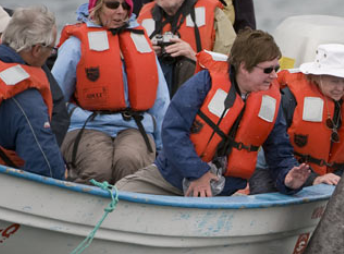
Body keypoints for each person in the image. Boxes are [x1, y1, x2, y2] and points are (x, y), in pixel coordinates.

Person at [115, 28, 311, 197]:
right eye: (268, 69)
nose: (274, 76)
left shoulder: (270, 101)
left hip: (225, 189)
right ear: (244, 67)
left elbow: (279, 151)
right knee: (118, 193)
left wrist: (289, 178)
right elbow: (173, 130)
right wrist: (197, 173)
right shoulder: (204, 84)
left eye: (276, 68)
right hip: (172, 178)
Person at [52, 0, 170, 185]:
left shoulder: (140, 44)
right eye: (112, 5)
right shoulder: (75, 45)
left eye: (125, 5)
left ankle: (128, 213)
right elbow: (54, 96)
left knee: (130, 163)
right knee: (98, 169)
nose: (120, 11)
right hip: (86, 125)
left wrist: (163, 147)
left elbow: (161, 101)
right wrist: (51, 141)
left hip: (134, 127)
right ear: (96, 7)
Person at [250, 44, 344, 193]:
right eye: (334, 81)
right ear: (317, 76)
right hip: (279, 169)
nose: (340, 88)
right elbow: (271, 153)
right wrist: (312, 179)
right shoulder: (288, 99)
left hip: (332, 174)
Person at [137, 0, 236, 96]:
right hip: (153, 102)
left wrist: (193, 56)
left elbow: (232, 66)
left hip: (200, 99)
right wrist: (146, 56)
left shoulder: (214, 16)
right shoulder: (142, 19)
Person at [0, 6, 65, 179]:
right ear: (37, 49)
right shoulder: (26, 101)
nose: (51, 54)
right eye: (52, 49)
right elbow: (46, 167)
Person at [0, 0, 70, 146]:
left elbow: (58, 111)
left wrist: (48, 151)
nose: (5, 41)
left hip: (20, 155)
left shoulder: (30, 59)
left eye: (4, 35)